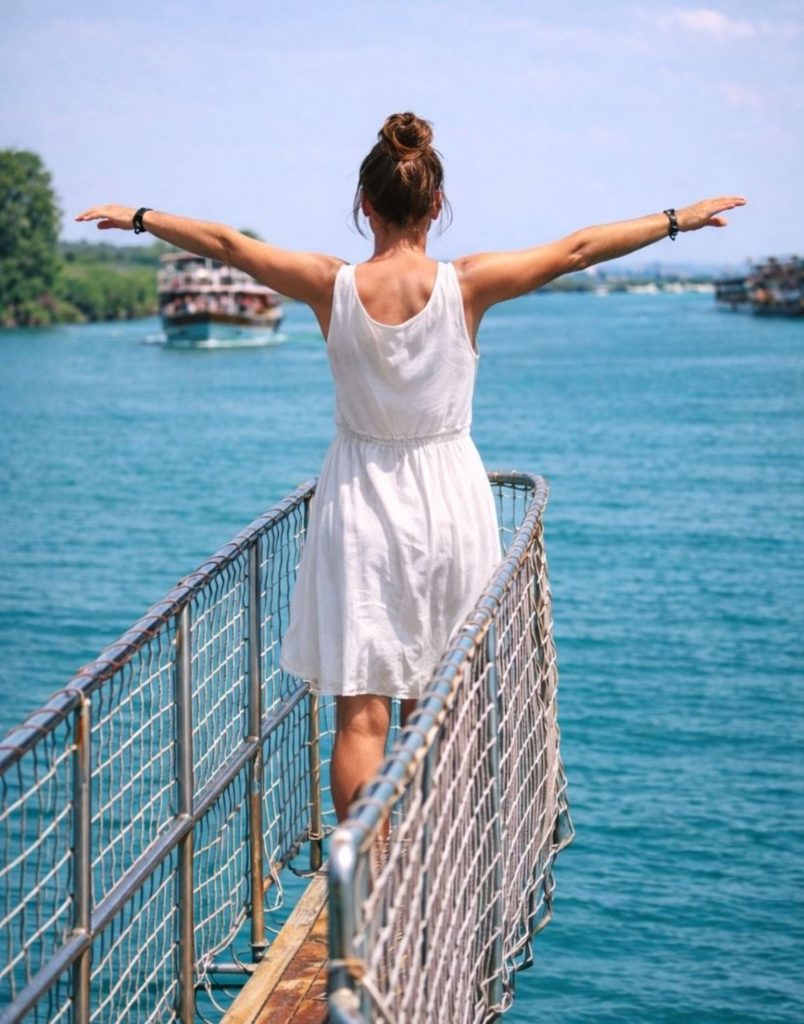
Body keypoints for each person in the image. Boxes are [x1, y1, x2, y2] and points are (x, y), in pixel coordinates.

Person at [76, 112, 746, 827]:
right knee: (438, 706)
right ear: (436, 206)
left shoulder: (326, 285)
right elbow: (578, 250)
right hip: (451, 499)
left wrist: (139, 216)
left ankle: (368, 878)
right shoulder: (471, 284)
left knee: (361, 718)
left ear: (364, 204)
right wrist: (679, 220)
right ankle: (430, 869)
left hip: (357, 500)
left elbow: (227, 245)